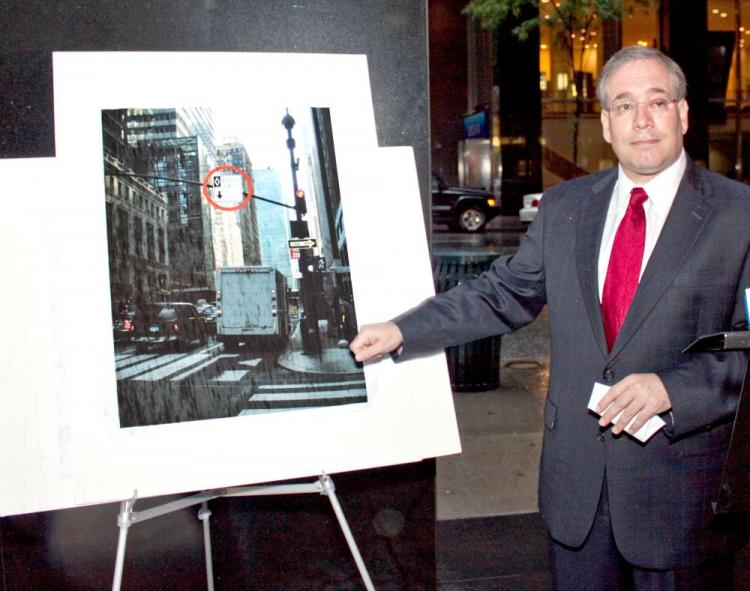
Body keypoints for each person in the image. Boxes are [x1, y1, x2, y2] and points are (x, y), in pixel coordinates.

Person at [350, 45, 750, 591]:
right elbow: (503, 293)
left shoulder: (738, 214)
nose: (642, 119)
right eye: (624, 105)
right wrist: (404, 330)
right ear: (607, 124)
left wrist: (674, 389)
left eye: (657, 102)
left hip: (679, 493)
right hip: (576, 490)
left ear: (683, 113)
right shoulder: (566, 208)